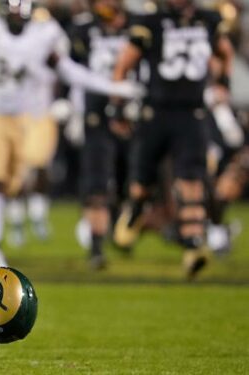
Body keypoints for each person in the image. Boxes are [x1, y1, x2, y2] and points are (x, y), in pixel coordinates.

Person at [0, 0, 143, 270]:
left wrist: (112, 87)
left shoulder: (44, 34)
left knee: (16, 182)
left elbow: (68, 71)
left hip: (26, 118)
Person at [110, 0, 233, 279]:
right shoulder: (150, 22)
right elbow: (124, 63)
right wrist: (118, 107)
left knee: (191, 181)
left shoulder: (207, 19)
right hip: (155, 112)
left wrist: (223, 83)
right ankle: (136, 207)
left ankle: (193, 247)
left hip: (192, 113)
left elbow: (225, 51)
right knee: (142, 184)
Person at [68, 0, 133, 269]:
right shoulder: (84, 30)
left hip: (135, 113)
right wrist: (73, 107)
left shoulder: (139, 25)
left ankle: (126, 230)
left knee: (137, 184)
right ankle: (97, 246)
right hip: (97, 116)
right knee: (97, 185)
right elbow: (70, 70)